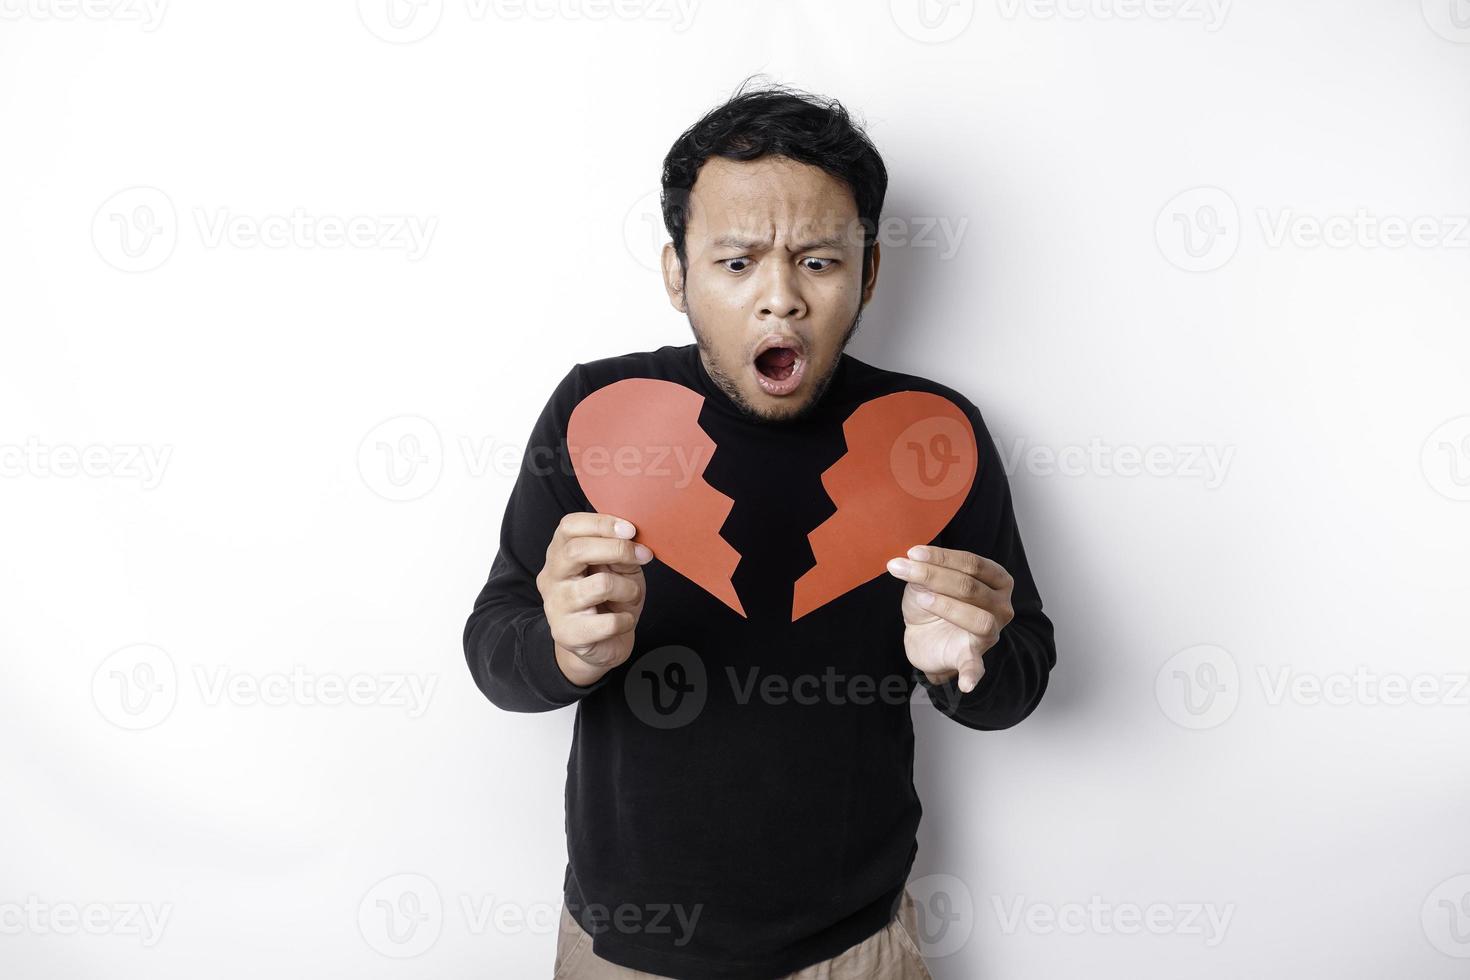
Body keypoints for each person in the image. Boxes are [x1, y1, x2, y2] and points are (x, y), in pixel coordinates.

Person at [463, 78, 1057, 979]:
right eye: (737, 263)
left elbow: (1020, 679)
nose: (779, 300)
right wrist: (561, 649)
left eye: (817, 260)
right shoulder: (603, 412)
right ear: (677, 272)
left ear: (868, 271)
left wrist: (964, 666)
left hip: (858, 946)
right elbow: (494, 642)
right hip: (624, 946)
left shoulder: (933, 440)